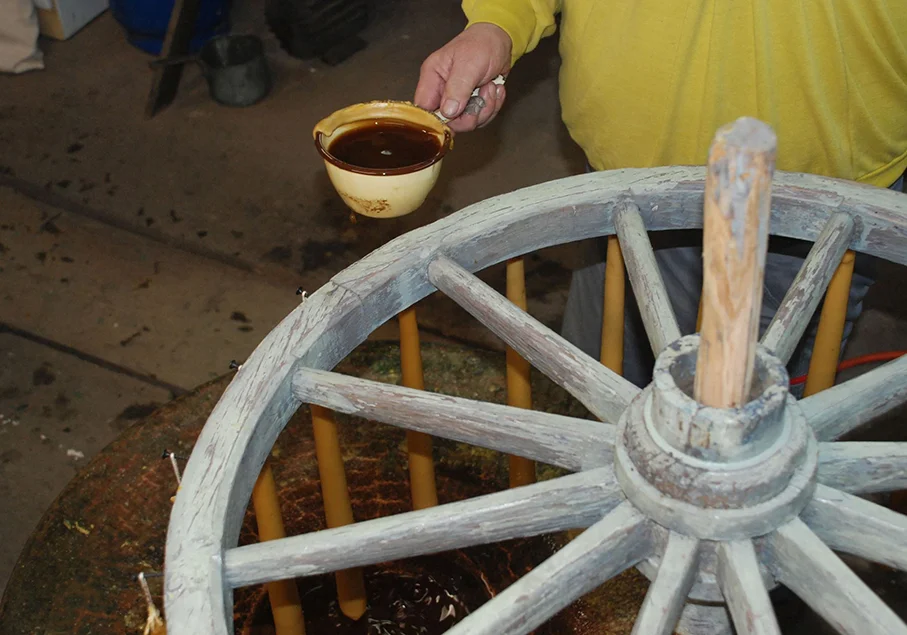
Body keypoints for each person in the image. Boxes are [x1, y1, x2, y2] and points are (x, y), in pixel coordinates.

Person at [413, 1, 907, 390]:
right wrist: (499, 21)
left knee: (742, 438)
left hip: (807, 211)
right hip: (616, 182)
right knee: (597, 384)